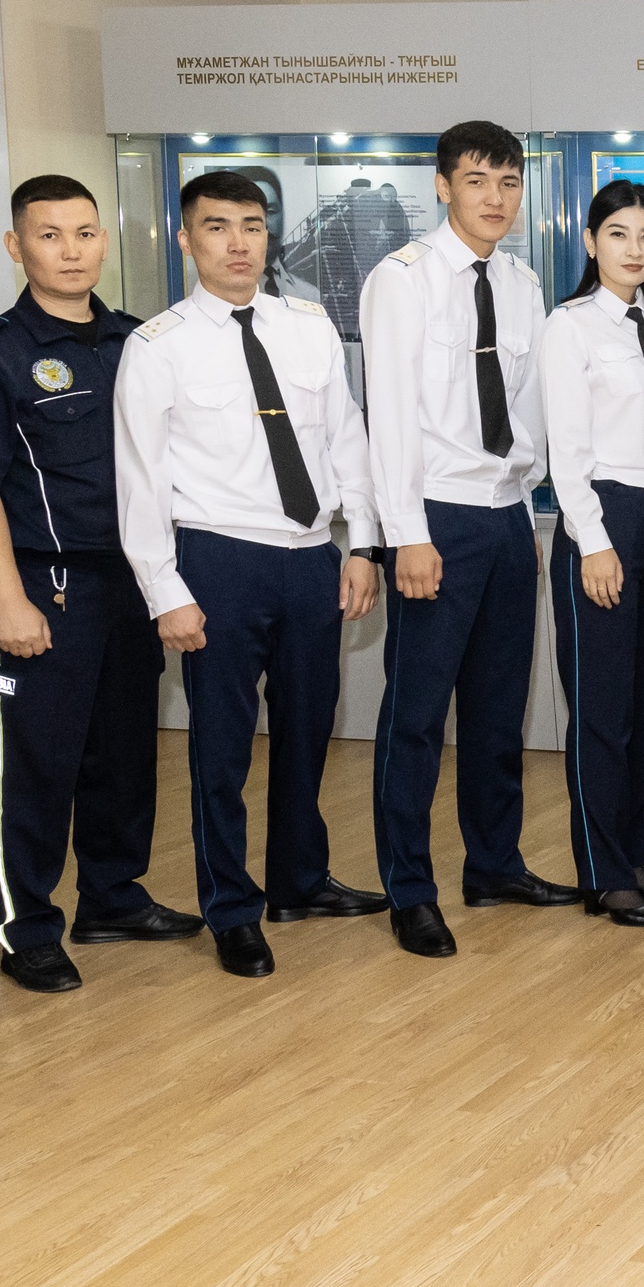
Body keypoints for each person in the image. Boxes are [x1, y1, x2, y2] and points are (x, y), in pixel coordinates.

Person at [116, 170, 385, 980]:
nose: (238, 243)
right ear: (185, 238)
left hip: (310, 559)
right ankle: (231, 908)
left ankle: (299, 882)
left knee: (309, 735)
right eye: (217, 227)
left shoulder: (307, 326)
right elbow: (141, 480)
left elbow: (347, 439)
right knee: (222, 751)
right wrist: (167, 591)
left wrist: (363, 544)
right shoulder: (157, 345)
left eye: (252, 225)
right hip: (217, 560)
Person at [0, 174, 195, 996]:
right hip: (45, 585)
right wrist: (6, 599)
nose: (71, 249)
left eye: (85, 233)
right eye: (50, 235)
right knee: (38, 766)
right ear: (16, 246)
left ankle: (113, 896)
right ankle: (27, 927)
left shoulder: (138, 340)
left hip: (135, 578)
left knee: (124, 754)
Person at [357, 120, 572, 962]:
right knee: (416, 715)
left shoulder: (522, 283)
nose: (496, 199)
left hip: (507, 514)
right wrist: (403, 535)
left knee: (497, 708)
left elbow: (533, 409)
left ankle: (495, 863)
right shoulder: (401, 280)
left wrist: (528, 497)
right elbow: (390, 419)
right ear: (442, 186)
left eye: (510, 183)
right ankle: (410, 889)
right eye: (479, 181)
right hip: (435, 517)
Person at [539, 180, 644, 929]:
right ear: (592, 242)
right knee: (601, 709)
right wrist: (592, 541)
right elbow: (565, 448)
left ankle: (632, 855)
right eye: (619, 235)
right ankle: (602, 873)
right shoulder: (570, 327)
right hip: (606, 517)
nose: (634, 250)